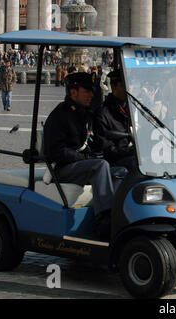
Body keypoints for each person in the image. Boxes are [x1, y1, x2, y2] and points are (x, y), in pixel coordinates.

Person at [43, 72, 116, 239]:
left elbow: (92, 142)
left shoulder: (84, 113)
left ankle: (119, 211)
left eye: (92, 91)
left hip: (80, 166)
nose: (91, 95)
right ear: (73, 92)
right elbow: (55, 151)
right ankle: (105, 219)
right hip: (62, 168)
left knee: (119, 170)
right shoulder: (60, 115)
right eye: (86, 91)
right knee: (100, 166)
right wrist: (84, 158)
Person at [94, 70, 137, 171]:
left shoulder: (134, 108)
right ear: (113, 87)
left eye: (131, 85)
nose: (130, 89)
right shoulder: (103, 113)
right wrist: (132, 151)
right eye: (125, 85)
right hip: (115, 161)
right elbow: (107, 149)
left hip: (132, 154)